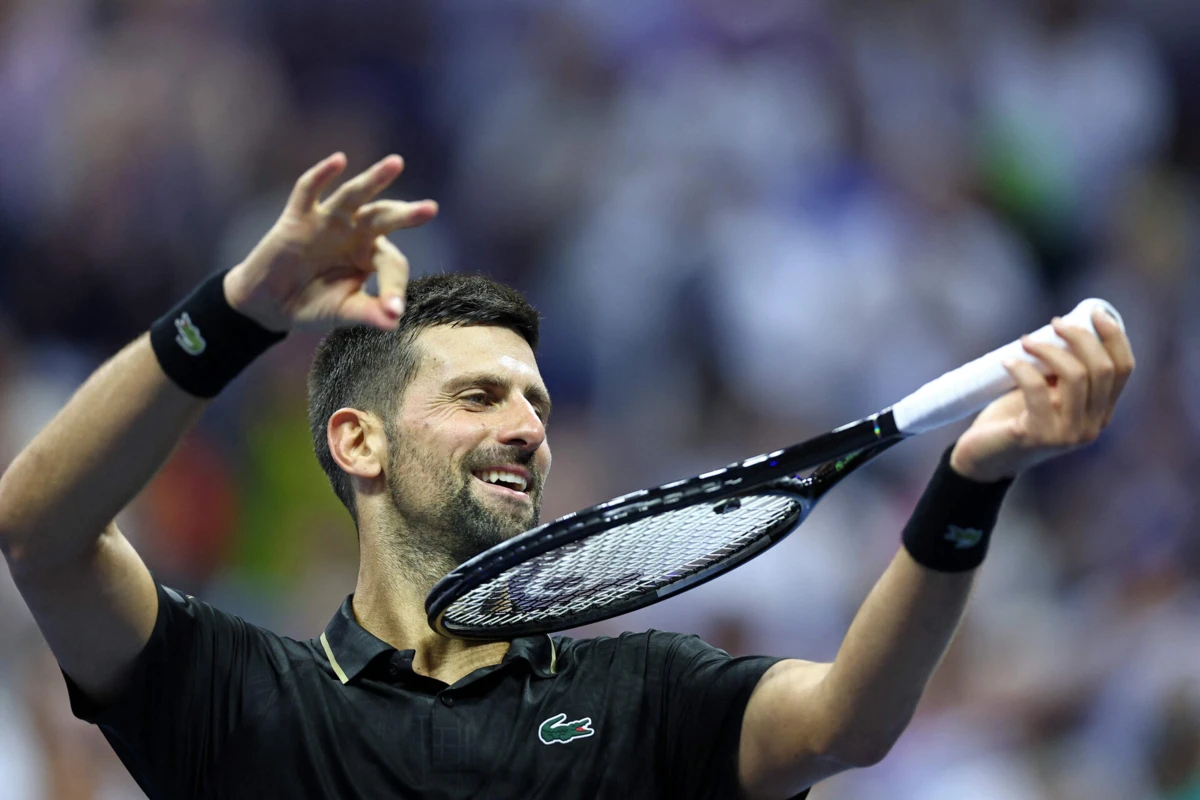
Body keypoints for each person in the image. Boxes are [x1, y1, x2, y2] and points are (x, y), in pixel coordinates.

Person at [0, 153, 1135, 800]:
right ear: (359, 442)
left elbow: (847, 719)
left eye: (538, 403)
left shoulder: (640, 699)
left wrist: (972, 480)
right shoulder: (241, 696)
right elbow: (39, 527)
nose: (528, 427)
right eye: (480, 396)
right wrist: (240, 311)